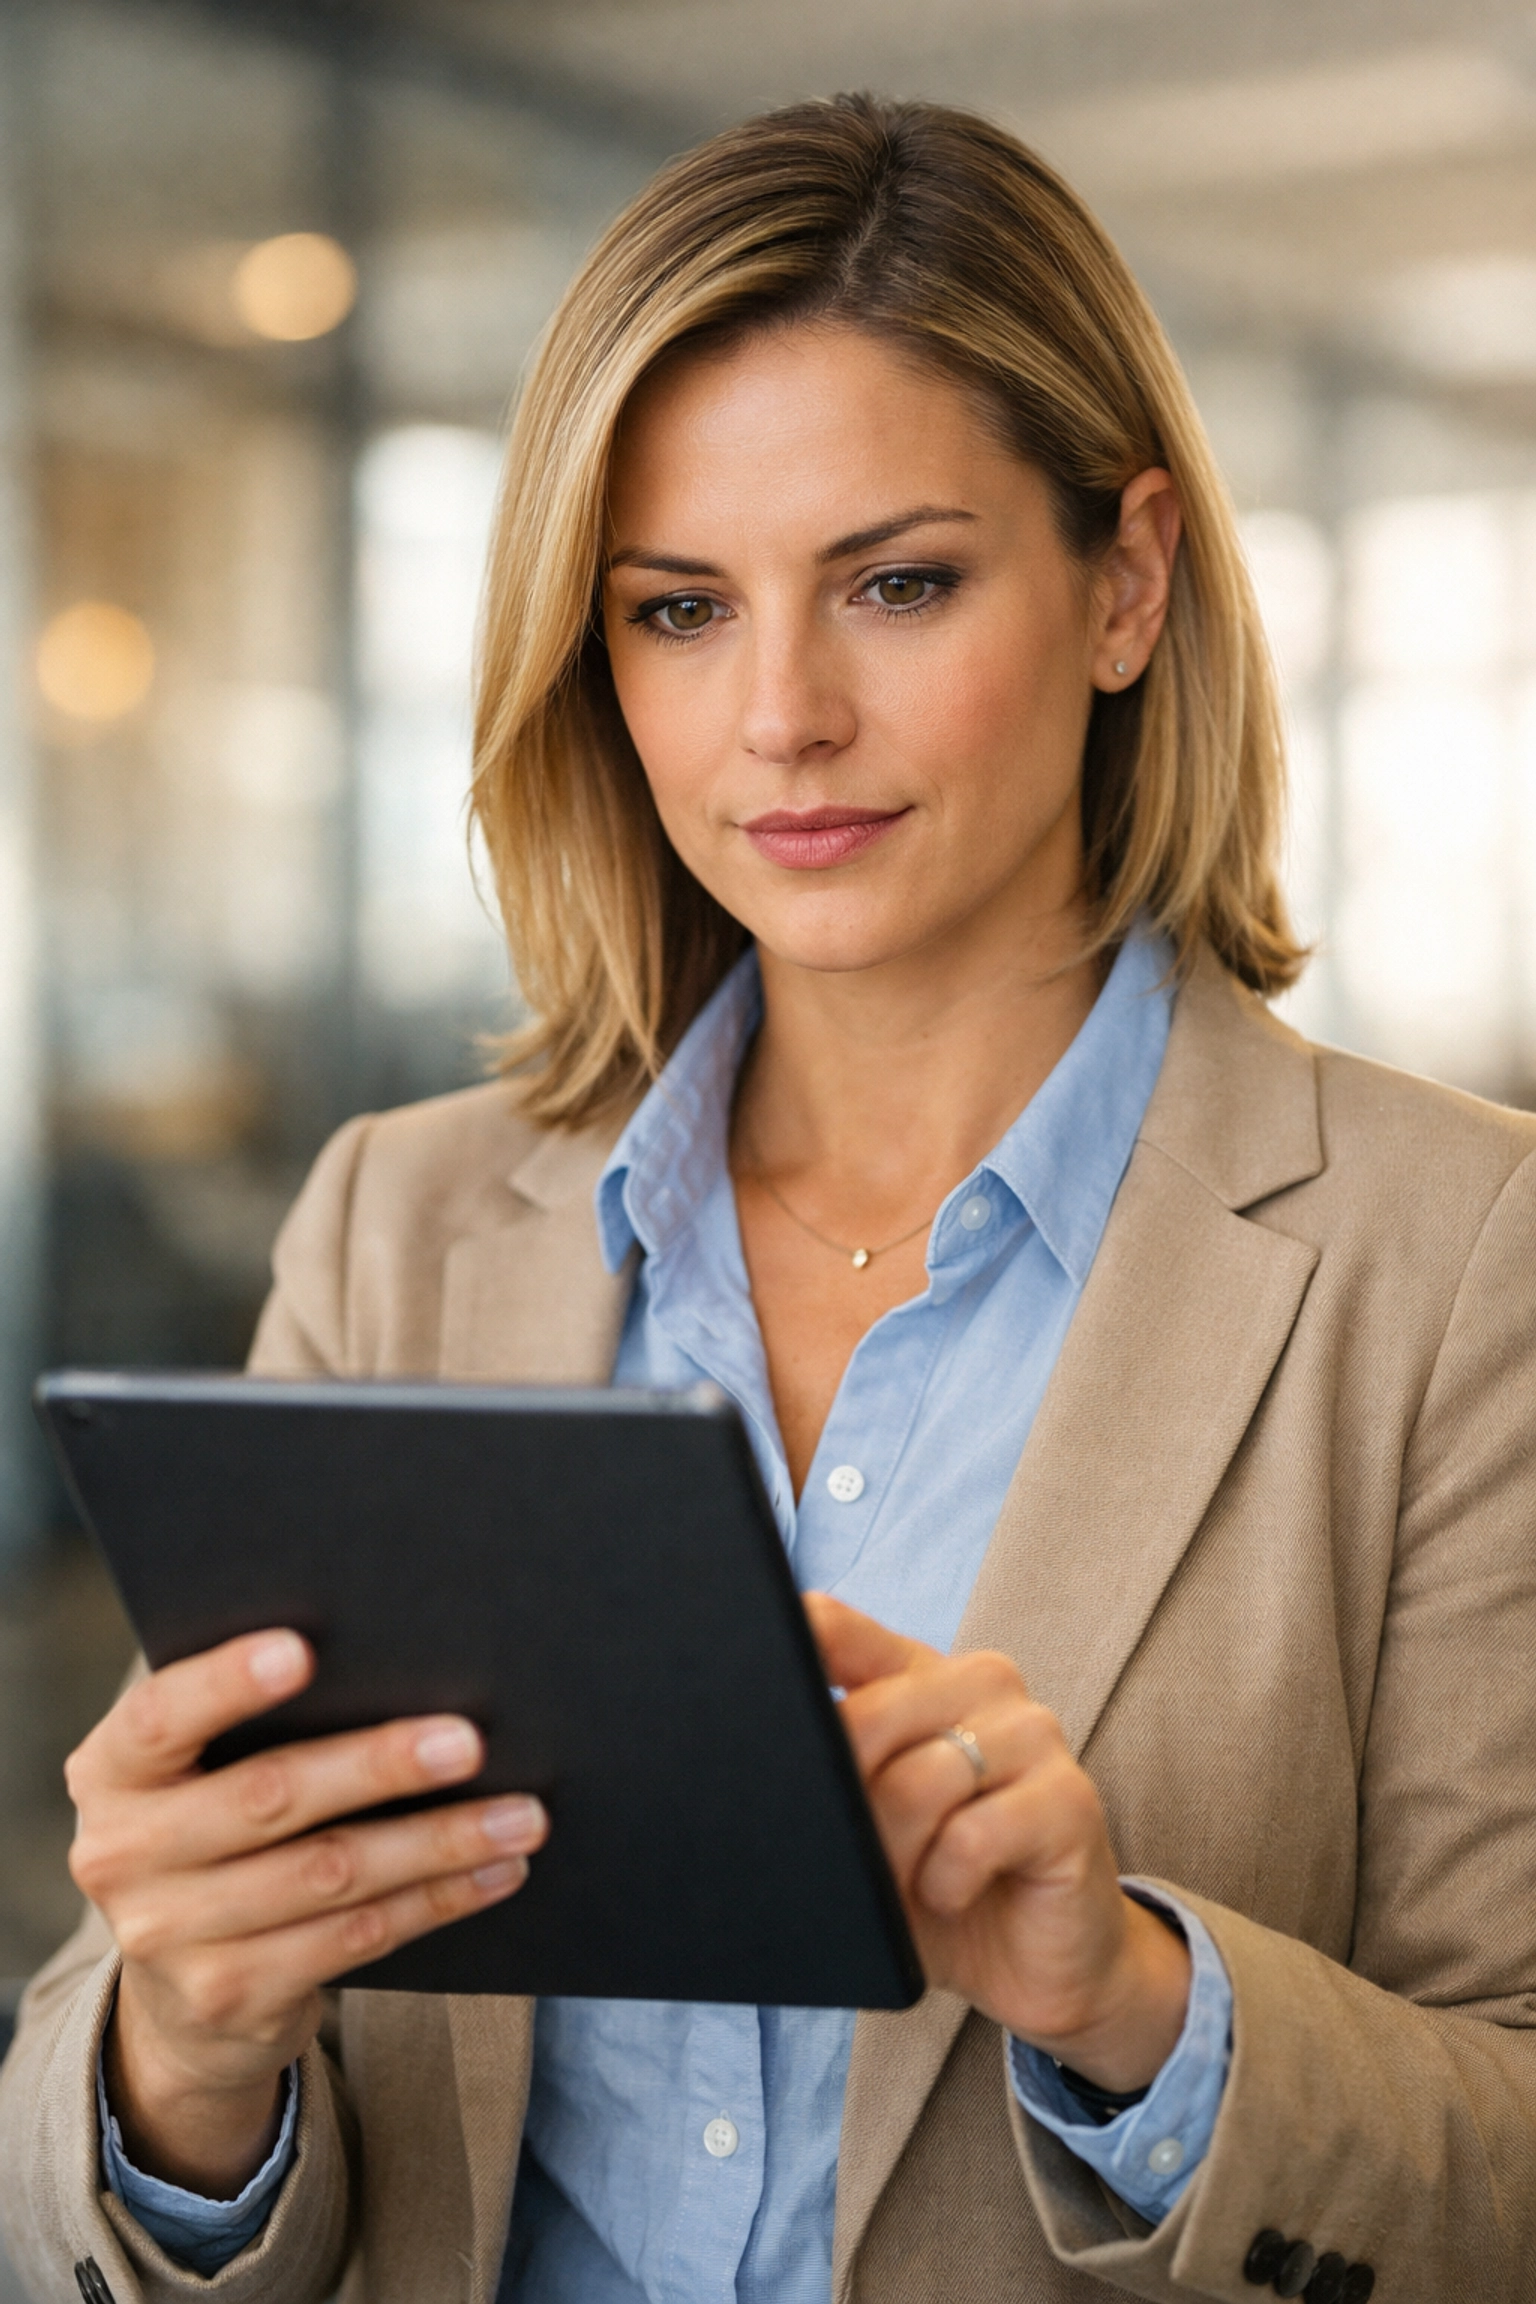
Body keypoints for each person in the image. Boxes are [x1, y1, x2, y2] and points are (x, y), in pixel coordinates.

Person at [3, 91, 1535, 2304]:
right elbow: (133, 2068)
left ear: (1126, 584)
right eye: (680, 609)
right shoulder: (398, 1225)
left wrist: (1133, 2001)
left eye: (898, 584)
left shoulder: (1459, 1259)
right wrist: (181, 2046)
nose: (782, 716)